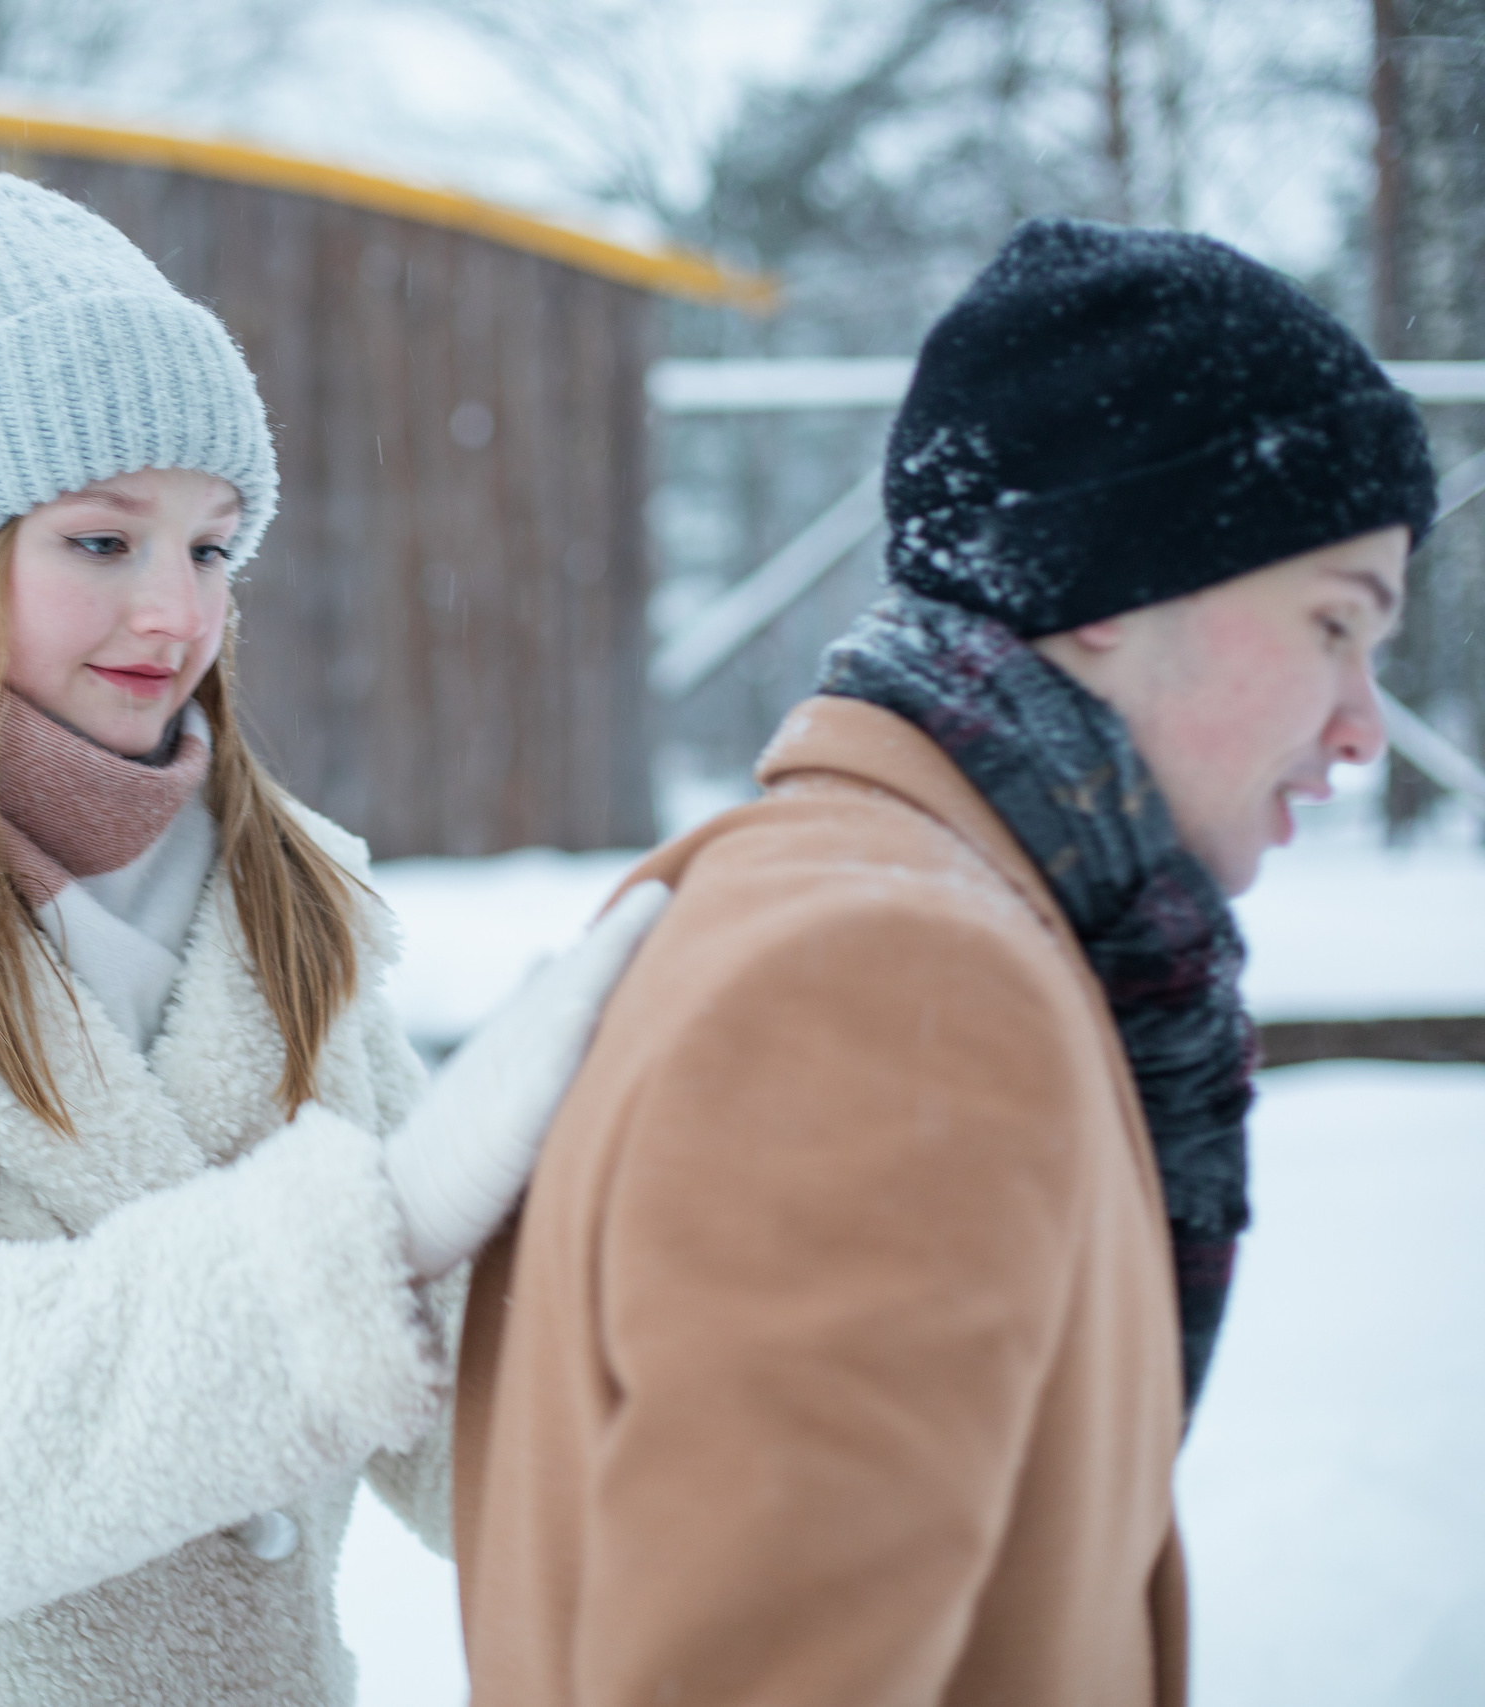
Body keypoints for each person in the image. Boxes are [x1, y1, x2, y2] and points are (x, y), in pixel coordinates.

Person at [0, 170, 656, 1706]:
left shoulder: (285, 913)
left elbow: (477, 1430)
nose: (178, 613)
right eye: (103, 542)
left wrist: (711, 1239)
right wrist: (357, 1244)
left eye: (213, 547)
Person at [452, 218, 1438, 1707]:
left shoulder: (844, 895)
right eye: (1332, 626)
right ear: (1102, 583)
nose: (1364, 723)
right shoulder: (893, 983)